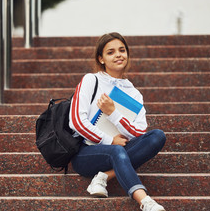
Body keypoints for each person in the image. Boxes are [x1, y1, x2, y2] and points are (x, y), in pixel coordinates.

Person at [69, 32, 167, 211]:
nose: (118, 55)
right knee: (115, 150)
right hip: (85, 152)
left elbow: (139, 132)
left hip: (119, 149)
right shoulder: (92, 80)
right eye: (111, 52)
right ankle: (145, 201)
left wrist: (113, 113)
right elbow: (76, 121)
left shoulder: (134, 93)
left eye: (122, 50)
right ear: (101, 58)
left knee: (157, 136)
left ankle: (104, 177)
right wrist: (109, 140)